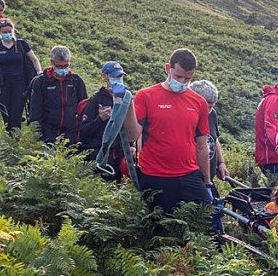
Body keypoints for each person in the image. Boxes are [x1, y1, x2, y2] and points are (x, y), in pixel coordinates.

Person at [126, 48, 212, 215]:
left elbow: (202, 146)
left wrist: (207, 182)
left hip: (189, 173)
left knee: (206, 221)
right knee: (163, 227)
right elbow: (133, 135)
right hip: (155, 174)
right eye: (178, 76)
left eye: (188, 78)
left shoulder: (199, 103)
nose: (182, 82)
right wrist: (128, 107)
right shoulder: (146, 96)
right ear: (168, 68)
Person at [0, 17, 42, 133]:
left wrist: (39, 72)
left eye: (9, 32)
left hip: (20, 84)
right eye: (4, 32)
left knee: (17, 112)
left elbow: (34, 59)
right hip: (3, 85)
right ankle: (9, 134)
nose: (7, 34)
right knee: (5, 111)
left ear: (13, 31)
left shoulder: (22, 44)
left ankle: (15, 137)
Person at [79, 61, 131, 181]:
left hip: (119, 155)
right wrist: (100, 119)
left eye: (120, 76)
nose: (118, 79)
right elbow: (83, 131)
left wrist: (131, 146)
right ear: (105, 76)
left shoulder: (126, 99)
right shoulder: (96, 100)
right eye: (115, 76)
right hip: (99, 155)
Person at [27, 46, 87, 144]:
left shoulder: (76, 81)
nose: (63, 69)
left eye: (66, 66)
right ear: (52, 62)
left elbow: (83, 107)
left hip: (71, 132)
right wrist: (37, 135)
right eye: (59, 66)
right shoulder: (41, 82)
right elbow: (35, 110)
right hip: (48, 131)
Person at [190, 80, 230, 196]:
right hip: (193, 178)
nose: (207, 111)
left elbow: (214, 138)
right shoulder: (188, 116)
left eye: (211, 107)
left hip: (208, 178)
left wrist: (221, 162)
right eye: (205, 107)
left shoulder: (212, 114)